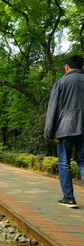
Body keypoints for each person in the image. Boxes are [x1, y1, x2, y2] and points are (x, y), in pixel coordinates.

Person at [44, 55, 84, 208]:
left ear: (66, 67)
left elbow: (52, 108)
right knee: (83, 162)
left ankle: (69, 198)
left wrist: (50, 132)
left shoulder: (60, 83)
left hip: (64, 128)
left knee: (64, 162)